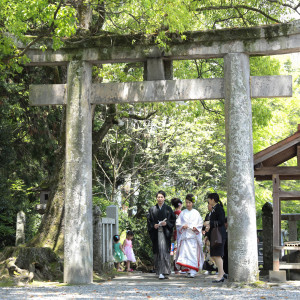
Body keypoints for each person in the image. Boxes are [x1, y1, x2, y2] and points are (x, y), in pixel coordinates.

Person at [147, 190, 176, 280]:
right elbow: (149, 221)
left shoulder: (168, 209)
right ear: (156, 198)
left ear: (164, 198)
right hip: (156, 233)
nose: (160, 199)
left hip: (165, 232)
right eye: (158, 197)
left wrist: (166, 223)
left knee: (164, 251)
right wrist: (153, 225)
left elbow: (172, 220)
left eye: (161, 197)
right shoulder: (152, 209)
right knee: (158, 251)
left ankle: (165, 271)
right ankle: (160, 272)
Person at [175, 193, 204, 278]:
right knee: (185, 254)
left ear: (192, 203)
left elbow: (200, 223)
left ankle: (193, 270)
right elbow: (178, 223)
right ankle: (188, 269)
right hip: (185, 236)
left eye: (189, 202)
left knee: (192, 253)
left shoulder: (196, 213)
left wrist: (195, 228)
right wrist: (182, 226)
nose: (188, 204)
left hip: (193, 236)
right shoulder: (182, 213)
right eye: (186, 202)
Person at [206, 192, 227, 283]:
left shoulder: (219, 209)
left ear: (213, 200)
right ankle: (222, 272)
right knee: (214, 255)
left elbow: (221, 221)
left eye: (209, 199)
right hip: (214, 235)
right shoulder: (214, 209)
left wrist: (209, 223)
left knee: (217, 255)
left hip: (219, 235)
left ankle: (220, 275)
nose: (208, 201)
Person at [202, 201, 218, 275]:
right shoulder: (208, 215)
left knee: (215, 253)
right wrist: (203, 231)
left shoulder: (216, 214)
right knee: (208, 253)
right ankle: (209, 269)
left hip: (214, 235)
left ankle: (217, 268)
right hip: (208, 236)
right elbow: (204, 225)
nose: (208, 206)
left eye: (209, 205)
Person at [171, 197, 182, 274]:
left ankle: (175, 268)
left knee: (174, 250)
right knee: (178, 250)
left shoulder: (172, 213)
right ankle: (178, 268)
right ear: (180, 204)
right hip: (179, 233)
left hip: (173, 233)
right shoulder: (180, 213)